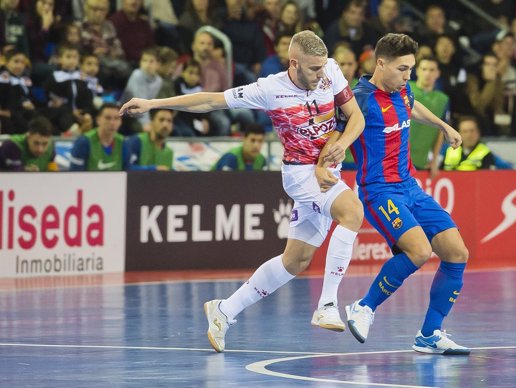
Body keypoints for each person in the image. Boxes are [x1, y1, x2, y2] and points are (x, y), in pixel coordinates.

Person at [120, 30, 366, 353]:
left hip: (326, 170)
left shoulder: (330, 70)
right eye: (313, 69)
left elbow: (355, 118)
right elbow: (210, 100)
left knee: (295, 261)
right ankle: (328, 304)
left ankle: (224, 310)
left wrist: (340, 147)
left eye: (323, 67)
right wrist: (154, 103)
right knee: (353, 212)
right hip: (299, 174)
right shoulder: (270, 89)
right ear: (294, 63)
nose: (322, 75)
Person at [340, 33, 469, 355]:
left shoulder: (403, 89)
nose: (408, 76)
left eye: (411, 69)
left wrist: (443, 125)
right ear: (380, 63)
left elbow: (413, 106)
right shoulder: (359, 100)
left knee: (457, 253)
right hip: (379, 191)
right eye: (402, 69)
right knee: (419, 251)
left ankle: (430, 334)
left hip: (410, 186)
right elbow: (329, 128)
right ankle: (364, 307)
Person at [409, 56, 448, 177]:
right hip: (395, 158)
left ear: (438, 73)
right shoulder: (404, 88)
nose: (428, 73)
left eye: (432, 70)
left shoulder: (443, 99)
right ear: (417, 71)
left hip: (420, 160)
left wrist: (435, 160)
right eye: (424, 69)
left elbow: (441, 131)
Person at [69, 103, 128, 171]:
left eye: (116, 118)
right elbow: (75, 175)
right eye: (108, 118)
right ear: (98, 120)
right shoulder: (83, 142)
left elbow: (128, 174)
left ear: (121, 121)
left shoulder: (124, 143)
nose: (112, 123)